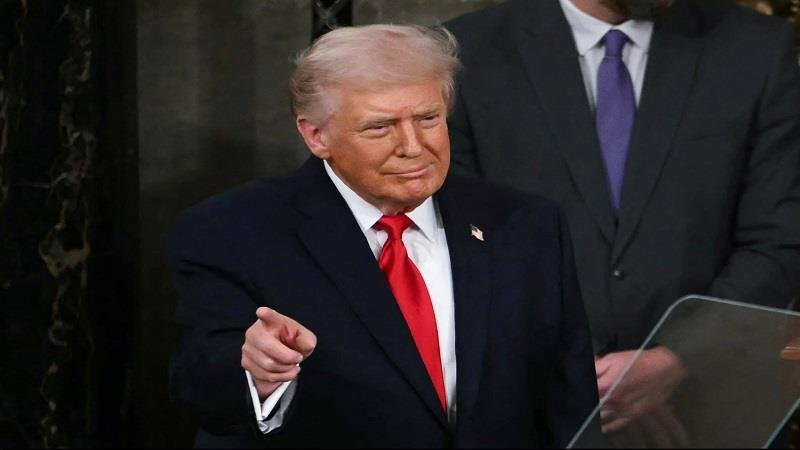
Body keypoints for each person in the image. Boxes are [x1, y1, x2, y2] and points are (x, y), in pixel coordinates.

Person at [168, 24, 598, 448]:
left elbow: (569, 402)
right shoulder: (232, 231)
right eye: (380, 127)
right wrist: (258, 375)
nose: (413, 146)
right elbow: (201, 393)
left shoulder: (525, 225)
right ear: (316, 135)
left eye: (428, 118)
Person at [445, 0, 800, 434]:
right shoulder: (466, 49)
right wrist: (587, 376)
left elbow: (780, 236)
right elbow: (457, 238)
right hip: (531, 404)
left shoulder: (757, 47)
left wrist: (676, 358)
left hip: (712, 405)